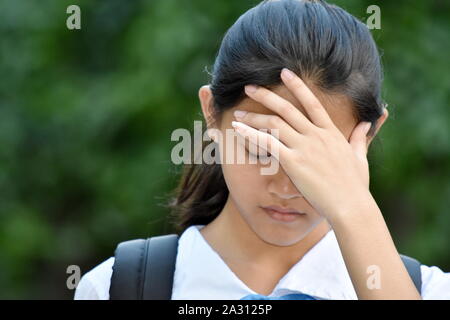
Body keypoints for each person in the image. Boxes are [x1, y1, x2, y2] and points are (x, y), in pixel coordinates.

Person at [74, 0, 450, 300]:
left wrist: (354, 209)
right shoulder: (116, 288)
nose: (285, 186)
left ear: (369, 134)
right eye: (259, 149)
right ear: (211, 113)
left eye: (316, 157)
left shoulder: (427, 291)